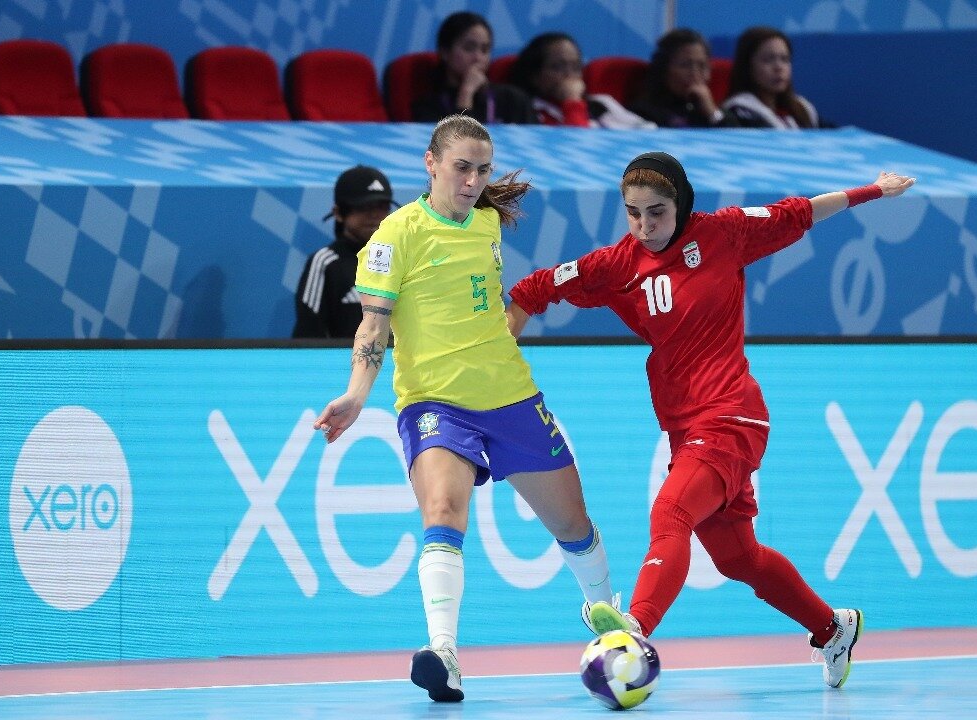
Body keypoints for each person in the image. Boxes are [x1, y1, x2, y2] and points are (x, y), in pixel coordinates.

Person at [508, 151, 915, 689]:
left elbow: (800, 212)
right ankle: (832, 628)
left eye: (657, 212)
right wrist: (500, 347)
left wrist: (875, 190)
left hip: (732, 415)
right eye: (633, 213)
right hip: (685, 427)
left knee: (671, 512)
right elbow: (533, 289)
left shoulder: (723, 234)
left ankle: (634, 629)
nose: (645, 225)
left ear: (681, 204)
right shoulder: (618, 265)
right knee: (737, 557)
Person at [312, 115, 617, 703]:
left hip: (509, 395)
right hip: (434, 401)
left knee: (572, 526)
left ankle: (609, 619)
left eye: (482, 170)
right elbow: (373, 326)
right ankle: (445, 654)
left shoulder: (487, 222)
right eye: (461, 168)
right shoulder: (394, 237)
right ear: (430, 164)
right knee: (444, 510)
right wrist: (355, 394)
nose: (473, 181)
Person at [293, 166, 396, 338]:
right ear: (338, 213)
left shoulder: (404, 259)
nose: (375, 215)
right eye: (363, 207)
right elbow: (309, 333)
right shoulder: (325, 263)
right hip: (343, 357)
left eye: (382, 206)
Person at [507, 32, 655, 129]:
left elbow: (647, 131)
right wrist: (572, 102)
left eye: (576, 66)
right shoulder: (528, 112)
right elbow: (575, 145)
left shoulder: (602, 103)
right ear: (535, 76)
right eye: (557, 67)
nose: (569, 74)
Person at [411, 11, 536, 124]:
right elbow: (462, 141)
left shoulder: (514, 100)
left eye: (485, 50)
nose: (478, 57)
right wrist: (466, 93)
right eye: (469, 48)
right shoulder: (428, 108)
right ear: (445, 52)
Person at [722, 26, 830, 129]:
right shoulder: (739, 112)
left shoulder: (802, 109)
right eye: (768, 60)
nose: (779, 67)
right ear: (747, 66)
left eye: (785, 59)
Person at [630, 28, 741, 128]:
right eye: (685, 65)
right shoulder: (645, 113)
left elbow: (736, 137)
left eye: (702, 66)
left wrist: (712, 113)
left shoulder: (712, 111)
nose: (695, 73)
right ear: (663, 69)